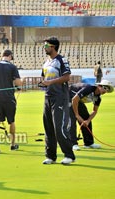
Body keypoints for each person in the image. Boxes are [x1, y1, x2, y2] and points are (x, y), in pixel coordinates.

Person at [39, 37, 76, 165]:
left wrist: (50, 82)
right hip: (47, 97)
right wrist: (43, 83)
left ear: (53, 46)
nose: (44, 48)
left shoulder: (61, 60)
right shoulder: (46, 62)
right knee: (48, 128)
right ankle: (50, 156)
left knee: (59, 128)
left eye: (46, 45)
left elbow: (67, 77)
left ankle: (69, 155)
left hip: (59, 97)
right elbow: (44, 77)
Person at [69, 80, 114, 151]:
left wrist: (87, 120)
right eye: (105, 88)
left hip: (78, 101)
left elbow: (95, 111)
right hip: (67, 98)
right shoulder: (88, 89)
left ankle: (88, 143)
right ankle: (73, 144)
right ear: (99, 86)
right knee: (71, 120)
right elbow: (74, 99)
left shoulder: (98, 98)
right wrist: (77, 115)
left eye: (107, 90)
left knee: (86, 118)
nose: (106, 91)